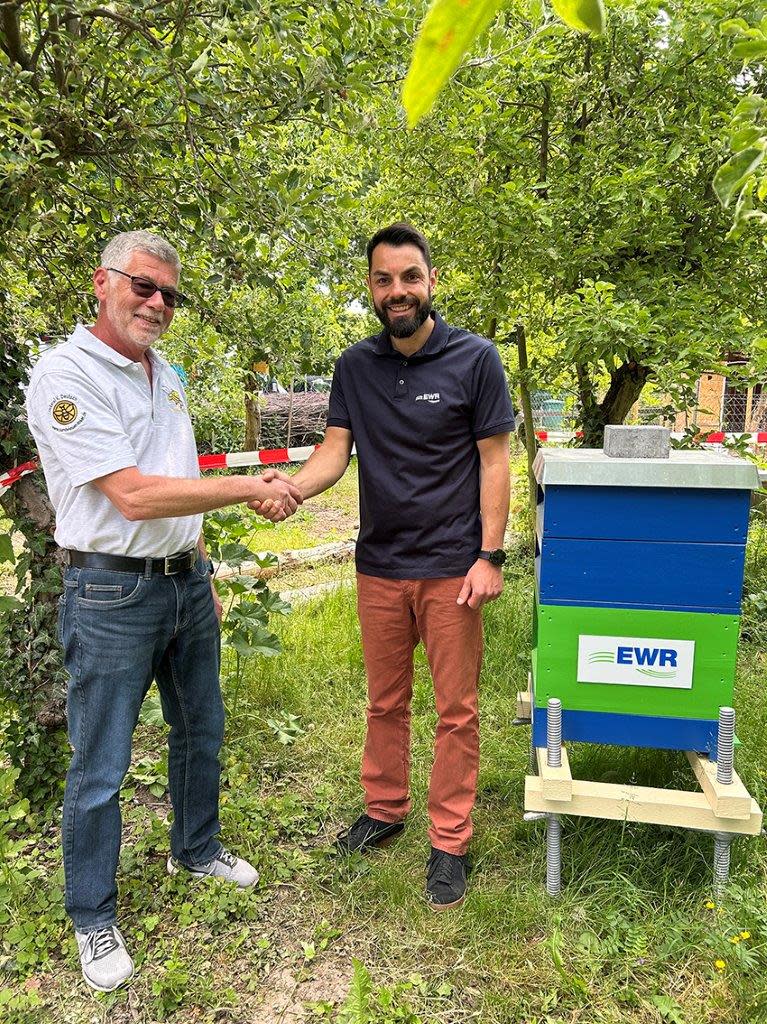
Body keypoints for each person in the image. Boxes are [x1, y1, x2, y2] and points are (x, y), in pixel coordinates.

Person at [26, 230, 303, 992]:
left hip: (184, 584)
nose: (156, 303)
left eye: (169, 295)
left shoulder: (167, 375)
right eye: (143, 286)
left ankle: (196, 848)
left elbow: (177, 480)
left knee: (201, 730)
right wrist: (250, 487)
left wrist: (201, 563)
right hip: (110, 591)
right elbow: (135, 493)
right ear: (101, 282)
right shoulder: (66, 373)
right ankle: (92, 915)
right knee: (101, 765)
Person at [264, 223, 514, 910]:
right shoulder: (354, 365)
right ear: (371, 288)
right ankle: (384, 809)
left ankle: (450, 839)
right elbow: (332, 452)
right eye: (383, 279)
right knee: (384, 701)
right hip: (377, 565)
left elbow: (496, 462)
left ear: (431, 281)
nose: (396, 290)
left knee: (456, 711)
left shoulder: (474, 359)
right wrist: (288, 489)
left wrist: (489, 555)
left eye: (408, 276)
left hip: (451, 569)